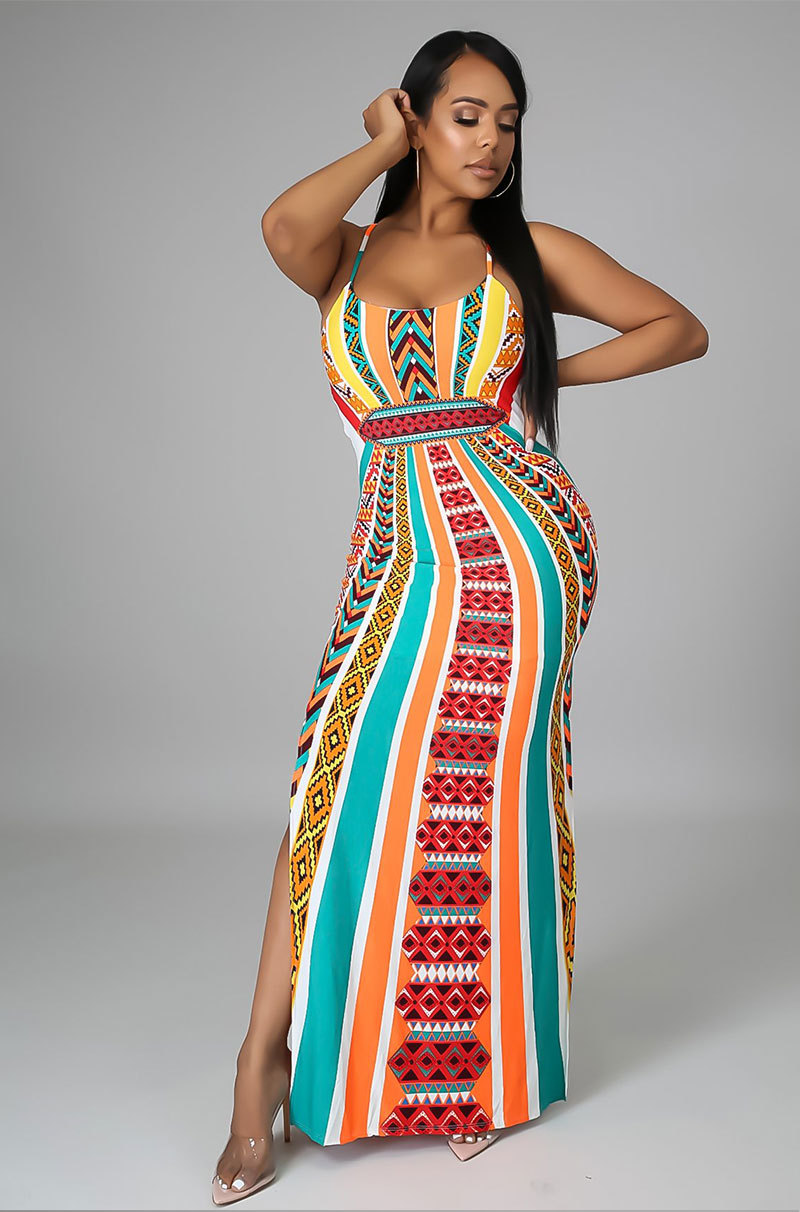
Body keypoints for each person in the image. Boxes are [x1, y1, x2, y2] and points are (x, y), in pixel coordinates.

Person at [211, 28, 708, 1206]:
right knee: (332, 781)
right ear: (417, 119)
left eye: (509, 121)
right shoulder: (343, 251)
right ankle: (259, 1064)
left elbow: (676, 329)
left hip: (518, 545)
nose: (491, 141)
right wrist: (372, 145)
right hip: (396, 547)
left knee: (481, 801)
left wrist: (537, 377)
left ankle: (474, 1071)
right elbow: (280, 226)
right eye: (466, 115)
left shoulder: (525, 253)